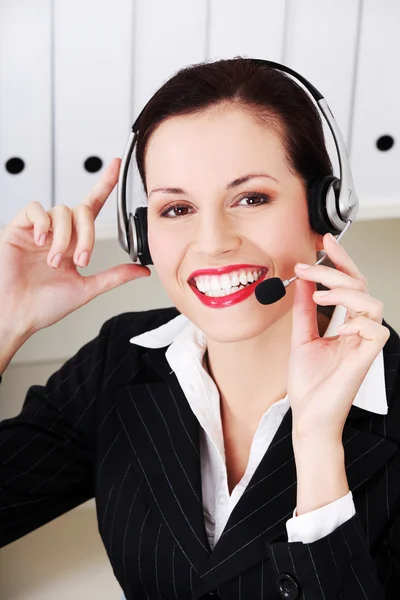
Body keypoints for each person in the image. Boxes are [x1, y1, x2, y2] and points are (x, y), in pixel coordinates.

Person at [0, 57, 399, 600]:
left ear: (323, 212)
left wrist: (317, 448)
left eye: (250, 198)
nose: (212, 241)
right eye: (176, 208)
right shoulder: (121, 359)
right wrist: (6, 324)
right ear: (144, 234)